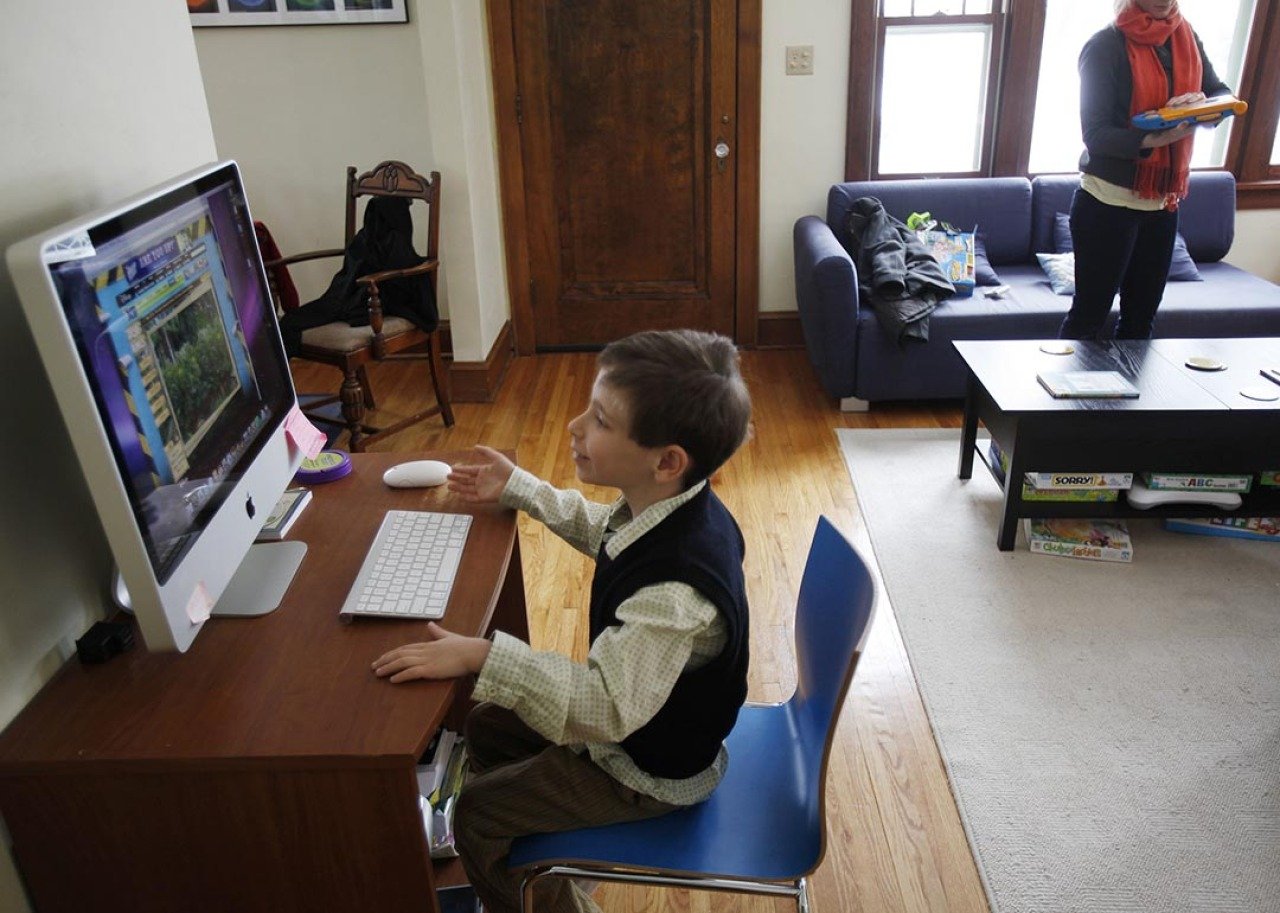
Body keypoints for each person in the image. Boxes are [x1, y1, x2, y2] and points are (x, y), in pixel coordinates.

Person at [372, 329, 753, 913]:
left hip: (648, 772)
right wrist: (520, 489)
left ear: (666, 460)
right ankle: (545, 868)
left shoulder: (676, 591)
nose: (575, 426)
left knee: (478, 814)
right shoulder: (672, 505)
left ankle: (545, 891)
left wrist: (482, 654)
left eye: (600, 419)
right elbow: (605, 533)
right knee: (488, 726)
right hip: (635, 733)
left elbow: (603, 709)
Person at [1059, 0, 1232, 341]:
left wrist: (1199, 107)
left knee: (1140, 322)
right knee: (1088, 317)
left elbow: (1220, 92)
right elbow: (1096, 135)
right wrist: (1159, 135)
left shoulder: (1186, 36)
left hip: (1162, 205)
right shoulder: (1103, 46)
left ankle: (1131, 394)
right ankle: (1067, 395)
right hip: (1106, 206)